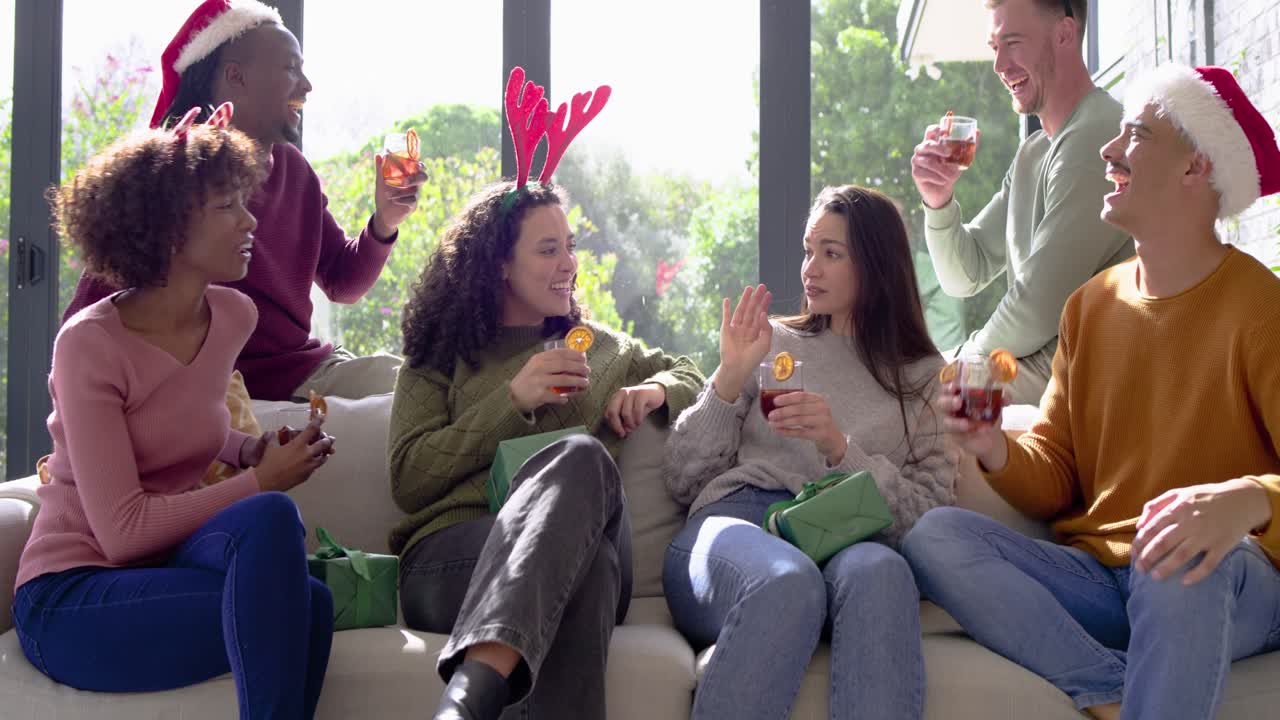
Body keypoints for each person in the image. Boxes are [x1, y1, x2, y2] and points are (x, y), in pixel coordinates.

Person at [902, 64, 1280, 720]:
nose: (1107, 149)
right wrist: (994, 448)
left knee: (1176, 554)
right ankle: (1106, 684)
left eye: (1135, 135)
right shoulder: (1089, 308)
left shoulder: (1261, 308)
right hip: (1107, 579)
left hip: (1227, 577)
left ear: (1195, 168)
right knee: (936, 536)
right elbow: (1055, 477)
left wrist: (1246, 501)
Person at [11, 108, 337, 719]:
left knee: (289, 556)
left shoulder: (234, 316)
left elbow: (186, 417)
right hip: (74, 594)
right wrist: (259, 478)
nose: (251, 220)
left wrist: (252, 452)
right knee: (293, 584)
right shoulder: (90, 344)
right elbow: (122, 532)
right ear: (165, 228)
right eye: (227, 207)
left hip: (165, 568)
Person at [389, 179, 705, 720]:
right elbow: (410, 478)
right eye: (547, 249)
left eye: (571, 245)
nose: (569, 263)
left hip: (565, 551)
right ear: (498, 266)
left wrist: (651, 391)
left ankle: (467, 702)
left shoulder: (603, 350)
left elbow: (693, 372)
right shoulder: (440, 355)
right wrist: (513, 398)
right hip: (451, 561)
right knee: (589, 572)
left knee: (582, 458)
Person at [662, 185, 958, 719]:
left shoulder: (924, 379)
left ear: (876, 265)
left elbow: (928, 520)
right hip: (738, 527)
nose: (809, 269)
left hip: (840, 535)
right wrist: (728, 376)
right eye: (807, 250)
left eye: (831, 253)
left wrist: (839, 447)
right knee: (786, 580)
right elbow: (683, 478)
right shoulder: (770, 343)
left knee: (882, 572)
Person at [63, 0, 425, 401]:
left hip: (305, 371)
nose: (306, 86)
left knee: (427, 390)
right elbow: (84, 324)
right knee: (397, 421)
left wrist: (385, 222)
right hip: (224, 393)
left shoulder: (294, 169)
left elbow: (343, 283)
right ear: (235, 76)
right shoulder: (176, 174)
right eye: (290, 68)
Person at [910, 0, 1132, 404]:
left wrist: (960, 363)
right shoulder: (1033, 152)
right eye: (994, 46)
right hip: (1033, 370)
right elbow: (965, 274)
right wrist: (938, 201)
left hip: (1082, 381)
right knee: (900, 384)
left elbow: (1037, 307)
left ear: (1064, 34)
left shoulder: (1097, 133)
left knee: (908, 395)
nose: (999, 65)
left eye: (1012, 42)